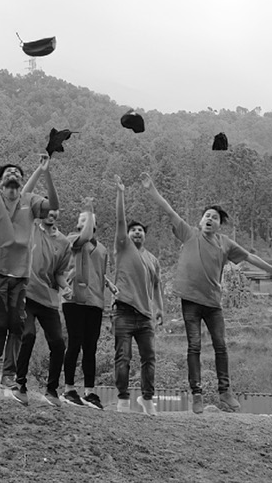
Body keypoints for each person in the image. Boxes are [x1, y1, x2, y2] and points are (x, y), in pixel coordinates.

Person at [139, 172, 272, 414]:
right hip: (190, 301)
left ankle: (225, 391)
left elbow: (251, 257)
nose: (210, 219)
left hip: (213, 303)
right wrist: (151, 189)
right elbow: (169, 210)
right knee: (194, 346)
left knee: (221, 345)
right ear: (200, 221)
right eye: (207, 216)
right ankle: (196, 393)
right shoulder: (188, 233)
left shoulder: (225, 244)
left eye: (215, 218)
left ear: (219, 225)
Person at [0, 139, 58, 386]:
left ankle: (8, 373)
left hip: (20, 273)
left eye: (17, 172)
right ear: (0, 181)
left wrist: (46, 173)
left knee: (17, 324)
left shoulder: (31, 200)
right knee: (0, 322)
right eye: (8, 172)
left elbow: (54, 206)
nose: (13, 174)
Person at [10, 158, 71, 407]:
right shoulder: (31, 227)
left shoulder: (64, 243)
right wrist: (42, 171)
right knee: (29, 335)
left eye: (55, 211)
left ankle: (52, 391)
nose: (51, 213)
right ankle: (19, 383)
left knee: (58, 342)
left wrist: (65, 287)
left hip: (48, 300)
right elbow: (23, 196)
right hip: (26, 294)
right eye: (47, 209)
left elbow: (58, 273)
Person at [111, 175, 162, 415]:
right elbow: (120, 220)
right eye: (133, 230)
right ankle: (122, 399)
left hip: (145, 317)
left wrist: (159, 308)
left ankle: (147, 399)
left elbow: (156, 286)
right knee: (123, 358)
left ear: (145, 235)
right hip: (123, 310)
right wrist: (121, 193)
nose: (136, 233)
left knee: (149, 359)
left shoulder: (152, 259)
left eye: (140, 230)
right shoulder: (122, 247)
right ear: (127, 235)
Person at [61, 197, 111, 410]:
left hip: (95, 301)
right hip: (74, 299)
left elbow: (101, 273)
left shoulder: (103, 249)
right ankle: (69, 388)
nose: (87, 220)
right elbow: (86, 235)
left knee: (90, 347)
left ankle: (90, 392)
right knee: (74, 342)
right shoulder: (73, 239)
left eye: (90, 218)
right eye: (83, 218)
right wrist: (88, 208)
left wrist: (109, 292)